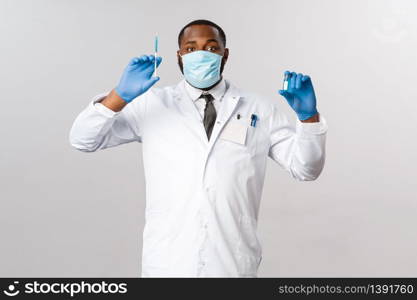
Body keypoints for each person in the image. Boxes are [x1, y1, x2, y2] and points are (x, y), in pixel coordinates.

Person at [69, 19, 327, 277]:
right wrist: (119, 96)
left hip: (231, 264)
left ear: (225, 55)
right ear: (179, 56)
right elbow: (83, 139)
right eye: (191, 49)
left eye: (211, 48)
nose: (201, 55)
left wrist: (308, 117)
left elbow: (306, 168)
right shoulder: (153, 104)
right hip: (168, 263)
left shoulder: (258, 109)